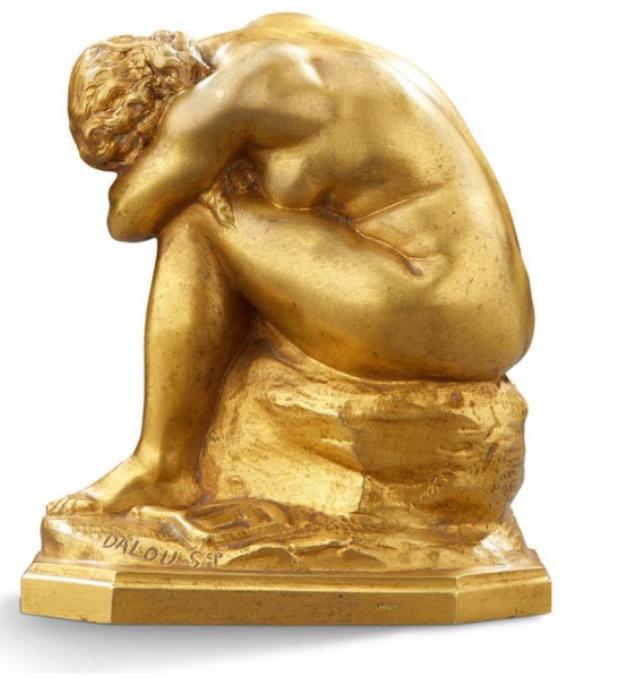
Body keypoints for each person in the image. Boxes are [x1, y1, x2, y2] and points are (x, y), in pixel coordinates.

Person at [49, 13, 533, 515]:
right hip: (496, 307)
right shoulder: (273, 35)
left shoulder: (224, 97)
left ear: (163, 105)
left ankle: (163, 467)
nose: (153, 160)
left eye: (146, 149)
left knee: (194, 219)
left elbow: (128, 216)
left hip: (435, 300)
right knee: (214, 203)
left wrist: (187, 175)